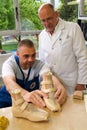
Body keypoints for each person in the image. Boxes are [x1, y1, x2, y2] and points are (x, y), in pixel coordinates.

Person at [0, 39, 67, 108]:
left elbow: (48, 76)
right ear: (18, 54)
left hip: (26, 105)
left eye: (33, 55)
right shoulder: (9, 64)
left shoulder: (39, 65)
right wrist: (25, 94)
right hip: (5, 101)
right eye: (26, 56)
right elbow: (9, 82)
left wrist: (59, 85)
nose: (30, 59)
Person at [38, 3, 87, 95]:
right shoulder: (42, 36)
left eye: (49, 19)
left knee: (75, 108)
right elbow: (42, 63)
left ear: (56, 14)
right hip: (52, 86)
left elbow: (83, 57)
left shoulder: (73, 28)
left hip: (73, 85)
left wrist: (81, 83)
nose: (46, 23)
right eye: (43, 20)